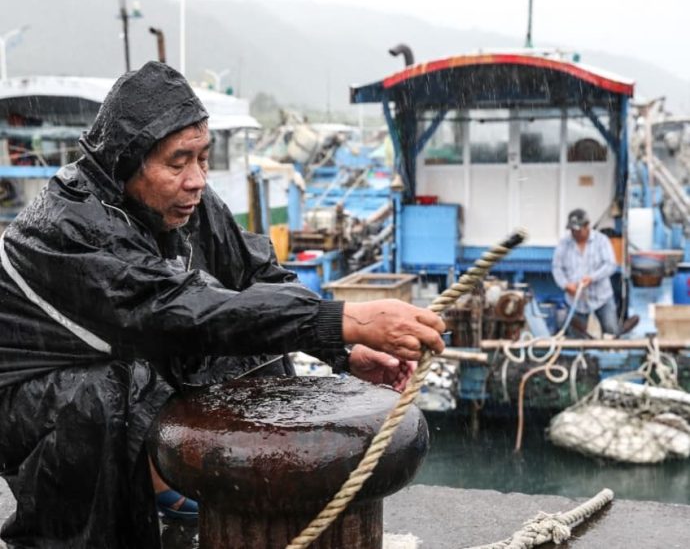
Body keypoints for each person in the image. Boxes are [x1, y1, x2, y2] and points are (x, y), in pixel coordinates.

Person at [0, 61, 445, 549]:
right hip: (33, 397)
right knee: (106, 394)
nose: (196, 179)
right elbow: (174, 311)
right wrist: (346, 321)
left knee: (254, 339)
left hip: (123, 351)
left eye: (202, 159)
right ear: (127, 161)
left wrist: (342, 354)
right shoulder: (69, 226)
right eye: (177, 162)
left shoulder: (186, 201)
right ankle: (98, 524)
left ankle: (244, 490)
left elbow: (257, 276)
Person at [552, 208, 638, 337]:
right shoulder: (564, 244)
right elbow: (556, 268)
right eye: (572, 230)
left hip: (602, 298)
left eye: (578, 230)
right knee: (576, 338)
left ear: (587, 226)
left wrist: (592, 278)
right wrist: (565, 285)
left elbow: (610, 265)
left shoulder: (601, 241)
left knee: (611, 333)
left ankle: (610, 354)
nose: (575, 233)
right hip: (576, 302)